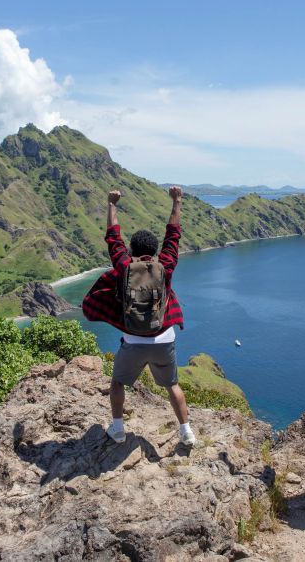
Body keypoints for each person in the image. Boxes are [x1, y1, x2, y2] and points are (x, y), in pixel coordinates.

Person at [82, 186, 196, 446]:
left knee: (117, 383)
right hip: (164, 338)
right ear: (155, 251)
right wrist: (177, 201)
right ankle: (186, 432)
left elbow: (113, 238)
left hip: (133, 340)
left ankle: (118, 430)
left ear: (131, 250)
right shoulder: (165, 266)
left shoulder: (124, 267)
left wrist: (112, 204)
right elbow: (173, 235)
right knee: (173, 385)